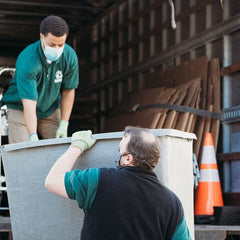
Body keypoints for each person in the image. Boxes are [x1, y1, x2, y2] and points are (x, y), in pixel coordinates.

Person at [45, 127, 191, 240]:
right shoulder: (171, 202)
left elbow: (52, 181)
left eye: (119, 151)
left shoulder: (98, 180)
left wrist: (76, 147)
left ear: (128, 159)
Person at [2, 15, 79, 143]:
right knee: (24, 152)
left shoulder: (69, 56)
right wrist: (33, 135)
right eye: (52, 44)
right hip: (21, 107)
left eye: (61, 45)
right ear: (41, 37)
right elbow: (29, 103)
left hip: (50, 107)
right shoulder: (28, 61)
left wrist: (64, 123)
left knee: (59, 149)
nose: (56, 49)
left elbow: (68, 90)